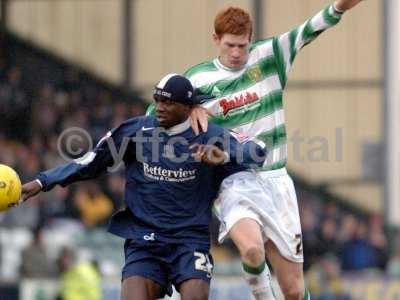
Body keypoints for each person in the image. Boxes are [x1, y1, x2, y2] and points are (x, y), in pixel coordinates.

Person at [147, 1, 365, 299]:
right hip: (232, 180)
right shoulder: (197, 80)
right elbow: (155, 114)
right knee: (251, 249)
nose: (237, 53)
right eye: (230, 46)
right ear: (216, 41)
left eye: (243, 46)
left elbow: (318, 23)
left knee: (293, 291)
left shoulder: (271, 56)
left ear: (251, 40)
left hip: (276, 180)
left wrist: (341, 5)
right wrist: (189, 108)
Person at [21, 74, 267, 300]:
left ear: (187, 107)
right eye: (157, 100)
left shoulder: (209, 136)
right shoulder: (136, 131)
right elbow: (91, 160)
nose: (159, 107)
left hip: (189, 241)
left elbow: (258, 151)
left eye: (168, 102)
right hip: (145, 241)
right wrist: (43, 181)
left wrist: (224, 157)